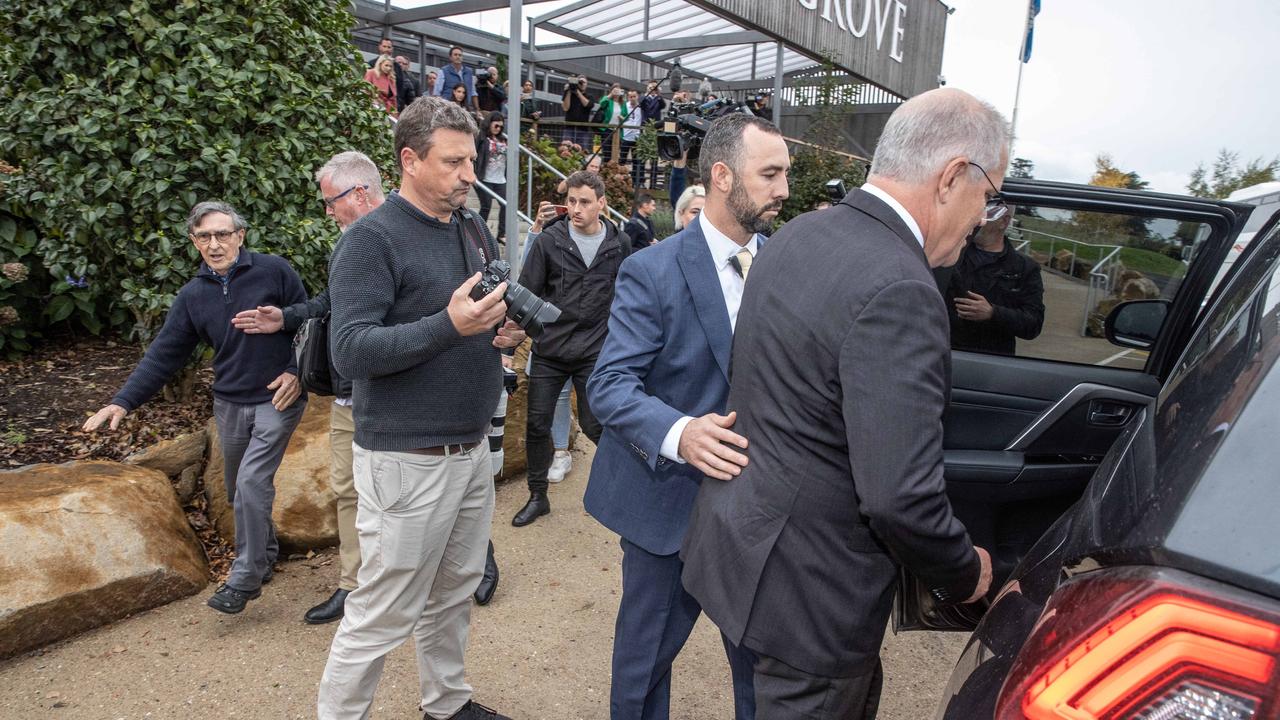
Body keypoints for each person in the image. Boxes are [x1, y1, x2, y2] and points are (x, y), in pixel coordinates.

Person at [680, 88, 1003, 719]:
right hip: (811, 603)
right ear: (953, 177)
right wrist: (965, 572)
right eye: (988, 196)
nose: (983, 216)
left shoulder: (800, 233)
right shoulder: (902, 288)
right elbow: (897, 496)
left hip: (743, 554)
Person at [317, 96, 523, 720]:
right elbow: (349, 351)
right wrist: (450, 325)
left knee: (455, 590)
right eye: (454, 162)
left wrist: (498, 330)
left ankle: (447, 703)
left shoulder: (469, 224)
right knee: (383, 610)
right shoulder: (371, 241)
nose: (470, 174)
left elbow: (472, 315)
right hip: (406, 457)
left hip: (468, 446)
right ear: (409, 160)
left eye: (473, 159)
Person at [583, 112, 790, 720]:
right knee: (643, 666)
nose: (783, 189)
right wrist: (681, 433)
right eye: (770, 173)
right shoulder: (650, 269)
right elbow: (610, 384)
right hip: (665, 506)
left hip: (761, 512)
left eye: (786, 173)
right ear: (722, 176)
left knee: (763, 670)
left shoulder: (790, 265)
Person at [83, 201, 307, 615]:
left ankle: (245, 578)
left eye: (223, 234)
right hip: (230, 403)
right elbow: (164, 354)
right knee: (238, 489)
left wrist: (297, 372)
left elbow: (309, 322)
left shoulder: (274, 271)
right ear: (194, 242)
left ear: (240, 235)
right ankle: (266, 553)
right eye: (204, 236)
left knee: (253, 485)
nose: (215, 243)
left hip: (277, 397)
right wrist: (122, 401)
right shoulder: (192, 296)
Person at [229, 151, 385, 626]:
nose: (328, 211)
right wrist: (287, 317)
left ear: (358, 193)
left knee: (421, 488)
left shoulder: (405, 229)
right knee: (347, 489)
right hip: (347, 393)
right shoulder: (346, 243)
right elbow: (330, 304)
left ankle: (464, 563)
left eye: (330, 201)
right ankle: (354, 585)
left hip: (397, 393)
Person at [513, 171, 628, 527]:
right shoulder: (551, 241)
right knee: (537, 425)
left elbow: (629, 297)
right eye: (572, 201)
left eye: (584, 202)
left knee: (597, 426)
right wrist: (532, 335)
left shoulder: (619, 244)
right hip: (550, 352)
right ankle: (537, 497)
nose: (575, 209)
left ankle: (623, 490)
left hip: (594, 353)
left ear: (602, 204)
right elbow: (525, 292)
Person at [935, 207, 1045, 355]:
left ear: (1004, 222)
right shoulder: (950, 254)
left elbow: (1033, 324)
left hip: (992, 360)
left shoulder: (1024, 268)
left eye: (986, 215)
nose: (978, 220)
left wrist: (993, 313)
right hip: (946, 353)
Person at [475, 111, 508, 245]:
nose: (498, 129)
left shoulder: (503, 138)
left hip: (500, 179)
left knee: (506, 205)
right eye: (496, 126)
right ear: (489, 124)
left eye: (501, 127)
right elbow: (474, 155)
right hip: (485, 178)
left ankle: (501, 234)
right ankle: (477, 233)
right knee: (486, 206)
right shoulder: (482, 138)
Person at [433, 46, 478, 114]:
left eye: (460, 55)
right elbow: (436, 93)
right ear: (450, 57)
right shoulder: (443, 71)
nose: (458, 57)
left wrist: (477, 109)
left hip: (465, 109)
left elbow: (473, 92)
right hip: (447, 110)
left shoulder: (469, 72)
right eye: (455, 54)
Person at [619, 88, 644, 187]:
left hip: (637, 137)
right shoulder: (625, 106)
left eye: (634, 96)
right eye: (630, 96)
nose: (632, 98)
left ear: (637, 96)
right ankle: (620, 180)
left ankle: (636, 182)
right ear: (628, 97)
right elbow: (619, 116)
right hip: (626, 136)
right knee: (622, 160)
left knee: (636, 161)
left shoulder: (641, 107)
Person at [561, 75, 593, 148]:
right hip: (569, 127)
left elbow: (587, 105)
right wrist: (568, 91)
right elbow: (565, 108)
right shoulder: (569, 94)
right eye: (580, 82)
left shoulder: (589, 96)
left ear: (587, 84)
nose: (582, 84)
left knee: (582, 151)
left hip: (583, 129)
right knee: (566, 150)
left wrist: (577, 92)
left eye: (583, 82)